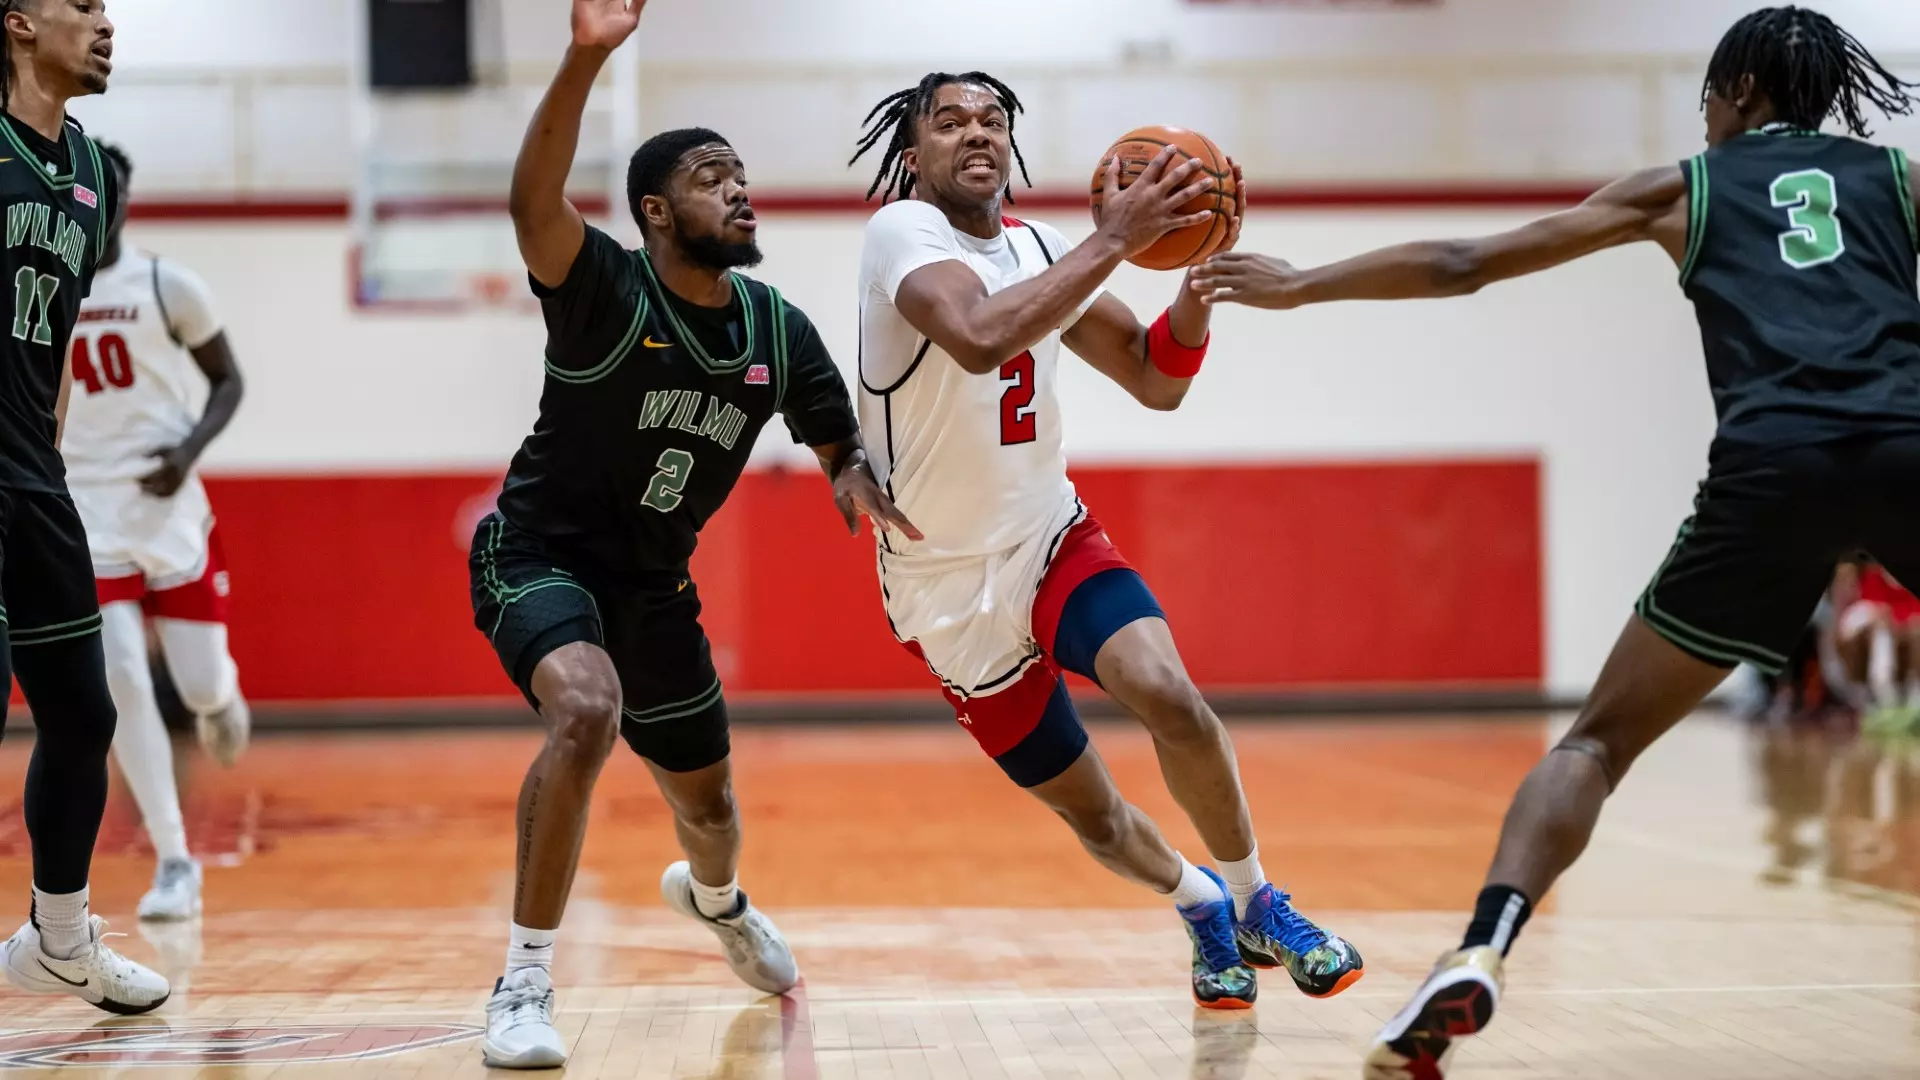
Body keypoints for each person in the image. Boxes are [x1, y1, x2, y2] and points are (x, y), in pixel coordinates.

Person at [1188, 6, 1920, 1076]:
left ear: (1744, 94)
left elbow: (1459, 261)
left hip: (1769, 469)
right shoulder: (1898, 178)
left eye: (1710, 98)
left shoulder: (1685, 186)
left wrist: (1302, 285)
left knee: (1593, 744)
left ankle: (1482, 948)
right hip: (1906, 447)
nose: (1705, 117)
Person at [849, 72, 1363, 1010]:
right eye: (951, 121)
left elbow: (1153, 379)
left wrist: (1197, 288)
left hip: (1047, 535)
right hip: (941, 586)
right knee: (1094, 814)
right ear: (914, 151)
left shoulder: (1044, 246)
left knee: (1169, 691)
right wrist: (1119, 239)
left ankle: (1256, 900)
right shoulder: (901, 235)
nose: (977, 134)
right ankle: (1199, 902)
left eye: (994, 120)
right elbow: (974, 334)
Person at [476, 0, 914, 1068]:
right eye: (714, 176)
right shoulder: (602, 292)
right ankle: (524, 982)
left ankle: (716, 903)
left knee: (709, 810)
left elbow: (834, 439)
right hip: (537, 554)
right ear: (657, 212)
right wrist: (585, 57)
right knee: (585, 710)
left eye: (741, 173)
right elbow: (532, 198)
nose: (740, 187)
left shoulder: (774, 327)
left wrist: (856, 479)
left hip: (655, 589)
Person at [0, 0, 171, 1014]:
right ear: (18, 21)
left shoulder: (96, 175)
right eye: (83, 5)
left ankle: (59, 940)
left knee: (83, 711)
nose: (106, 24)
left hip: (34, 476)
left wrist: (47, 447)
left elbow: (55, 336)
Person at [63, 141, 250, 924]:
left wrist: (186, 453)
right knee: (122, 685)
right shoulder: (41, 286)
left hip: (169, 506)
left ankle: (222, 697)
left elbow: (229, 380)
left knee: (199, 685)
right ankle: (175, 860)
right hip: (84, 506)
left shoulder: (167, 283)